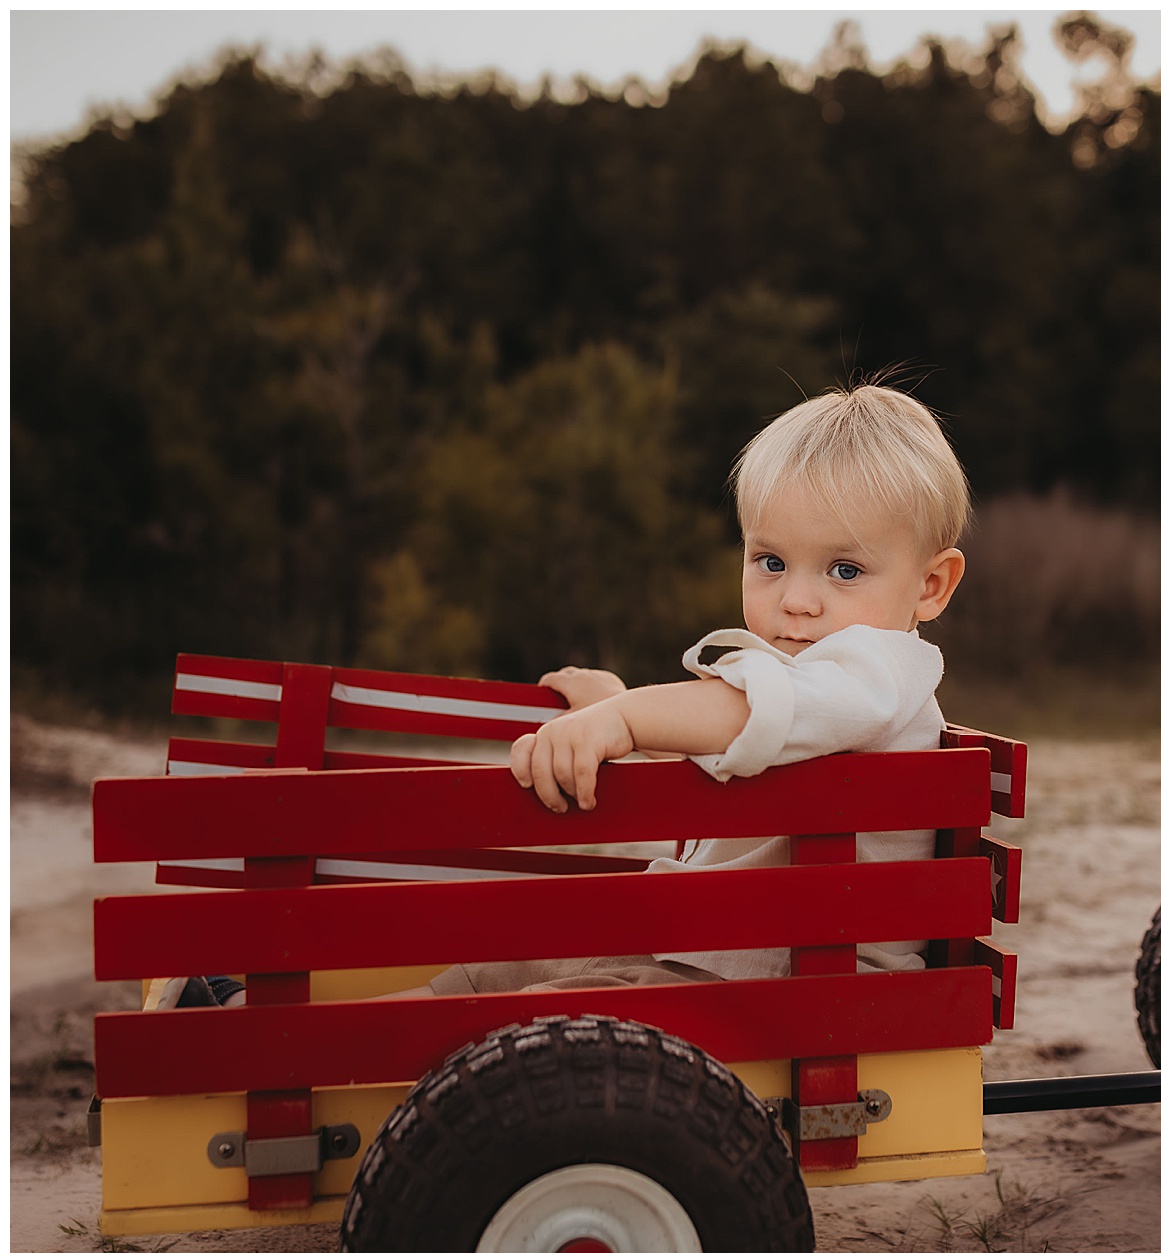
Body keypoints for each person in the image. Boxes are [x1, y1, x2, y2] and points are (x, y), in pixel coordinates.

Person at [153, 377, 968, 1011]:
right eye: (770, 561)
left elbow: (745, 714)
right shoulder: (825, 686)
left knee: (553, 1016)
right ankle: (273, 1034)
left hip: (791, 985)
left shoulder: (876, 668)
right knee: (504, 959)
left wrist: (623, 717)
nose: (796, 598)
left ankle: (307, 1059)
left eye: (845, 569)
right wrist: (628, 714)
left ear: (930, 585)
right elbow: (738, 766)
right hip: (714, 951)